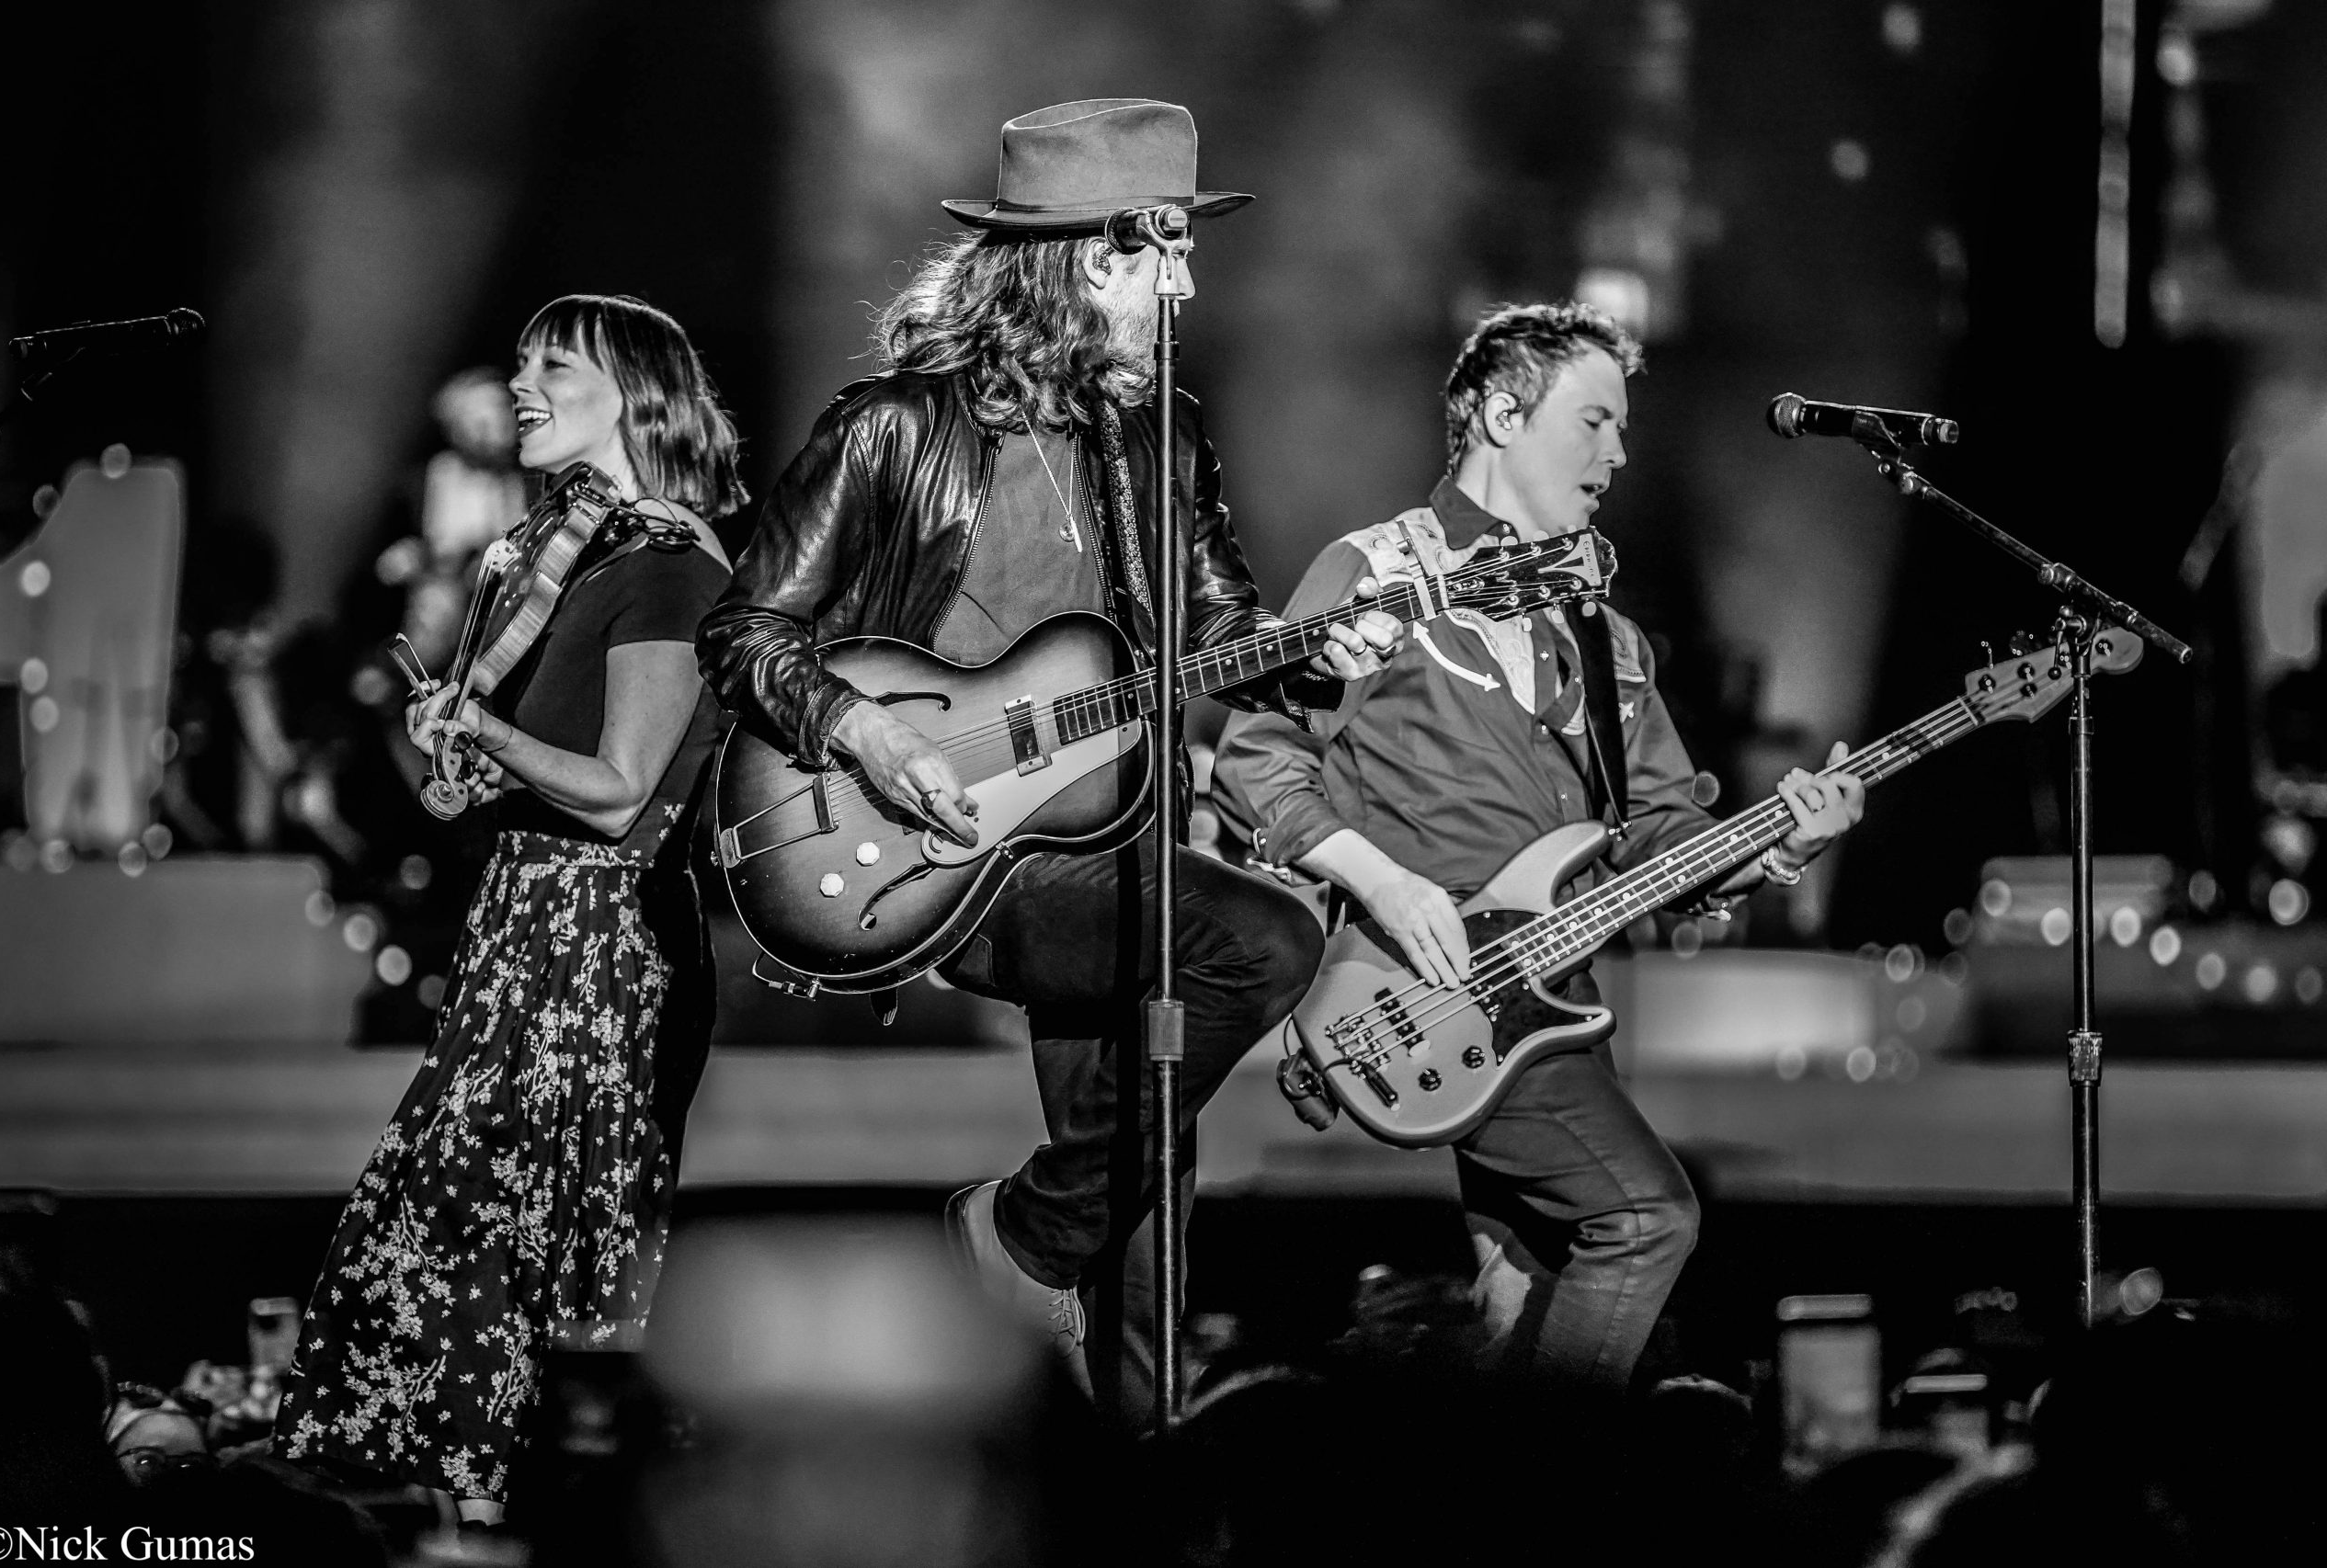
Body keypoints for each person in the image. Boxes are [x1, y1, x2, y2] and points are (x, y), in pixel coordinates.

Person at [698, 98, 1401, 1425]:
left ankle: (1119, 1475)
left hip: (1107, 832)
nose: (1187, 277)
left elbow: (1224, 625)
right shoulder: (897, 427)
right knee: (1263, 942)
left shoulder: (1158, 431)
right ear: (1085, 256)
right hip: (942, 844)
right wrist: (869, 729)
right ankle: (1017, 1236)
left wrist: (1322, 653)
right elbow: (745, 627)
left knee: (1146, 1199)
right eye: (1163, 247)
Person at [1215, 301, 1866, 1390]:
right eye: (1593, 421)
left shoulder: (1600, 634)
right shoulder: (1377, 570)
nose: (1617, 453)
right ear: (1501, 413)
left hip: (1549, 999)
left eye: (1620, 427)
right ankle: (1544, 1487)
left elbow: (1657, 825)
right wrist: (1385, 881)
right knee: (1644, 1217)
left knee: (1537, 1300)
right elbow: (1256, 753)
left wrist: (1777, 845)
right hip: (1421, 984)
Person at [277, 294, 742, 1519]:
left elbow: (618, 791)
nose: (524, 384)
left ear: (637, 395)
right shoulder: (569, 555)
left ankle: (535, 1513)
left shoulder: (669, 561)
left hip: (608, 945)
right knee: (452, 1234)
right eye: (523, 360)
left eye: (556, 365)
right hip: (527, 935)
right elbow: (520, 781)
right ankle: (453, 1506)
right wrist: (468, 755)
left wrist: (480, 723)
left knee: (547, 1255)